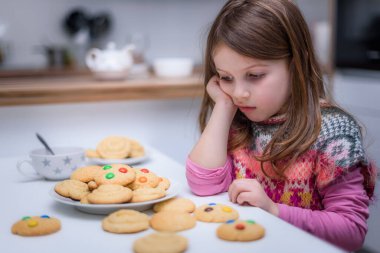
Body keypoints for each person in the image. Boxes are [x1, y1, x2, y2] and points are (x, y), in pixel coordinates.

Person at [186, 0, 377, 251]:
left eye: (254, 76)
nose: (239, 93)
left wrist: (273, 210)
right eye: (226, 77)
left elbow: (350, 232)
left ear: (296, 63)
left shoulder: (333, 133)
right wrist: (223, 106)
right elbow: (204, 185)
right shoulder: (239, 118)